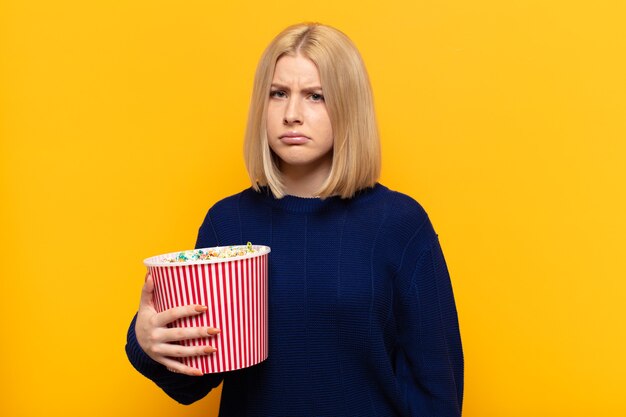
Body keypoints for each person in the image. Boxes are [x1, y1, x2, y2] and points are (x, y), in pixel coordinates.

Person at [126, 22, 464, 416]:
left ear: (348, 106)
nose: (291, 114)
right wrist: (147, 342)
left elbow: (435, 389)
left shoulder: (400, 225)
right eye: (278, 94)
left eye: (315, 96)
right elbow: (191, 384)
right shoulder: (227, 223)